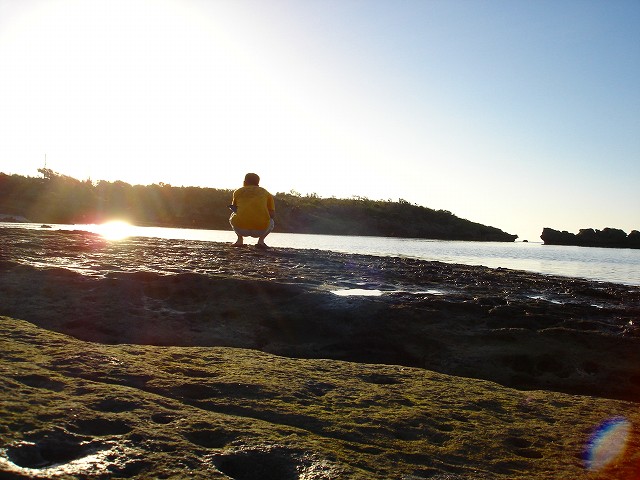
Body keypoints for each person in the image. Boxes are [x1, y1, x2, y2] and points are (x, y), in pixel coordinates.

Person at [229, 173, 275, 248]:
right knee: (271, 221)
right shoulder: (266, 193)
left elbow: (234, 208)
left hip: (240, 229)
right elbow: (272, 214)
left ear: (244, 182)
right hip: (261, 230)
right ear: (258, 183)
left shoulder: (237, 192)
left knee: (233, 215)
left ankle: (239, 240)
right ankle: (261, 241)